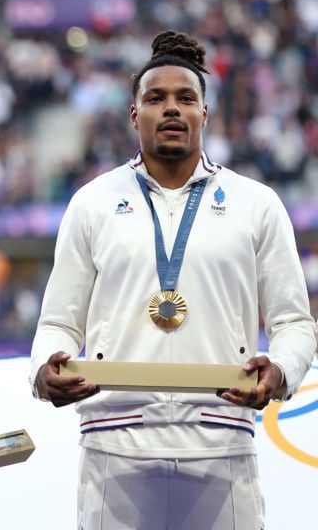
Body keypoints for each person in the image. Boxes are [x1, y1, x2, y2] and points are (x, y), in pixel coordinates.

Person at [30, 31, 318, 529]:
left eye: (186, 98)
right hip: (115, 445)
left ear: (205, 114)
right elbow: (58, 322)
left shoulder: (256, 203)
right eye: (155, 98)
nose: (170, 108)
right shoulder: (92, 202)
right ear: (133, 114)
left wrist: (282, 372)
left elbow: (294, 321)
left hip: (221, 441)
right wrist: (43, 371)